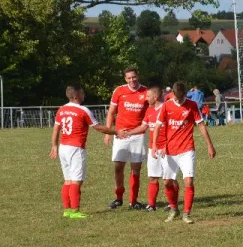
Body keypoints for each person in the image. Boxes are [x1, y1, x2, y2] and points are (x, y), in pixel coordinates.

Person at [50, 85, 127, 218]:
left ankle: (67, 210)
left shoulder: (61, 109)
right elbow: (98, 128)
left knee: (68, 180)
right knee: (76, 181)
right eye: (82, 92)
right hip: (76, 148)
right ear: (75, 96)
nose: (84, 94)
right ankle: (75, 211)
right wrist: (116, 132)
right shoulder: (83, 110)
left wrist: (54, 146)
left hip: (63, 147)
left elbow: (56, 129)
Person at [153, 81, 217, 224]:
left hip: (187, 149)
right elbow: (157, 127)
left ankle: (187, 213)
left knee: (188, 181)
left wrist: (210, 145)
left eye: (181, 98)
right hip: (170, 150)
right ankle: (174, 209)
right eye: (177, 98)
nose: (179, 101)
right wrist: (157, 145)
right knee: (167, 182)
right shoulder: (166, 105)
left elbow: (201, 126)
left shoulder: (192, 105)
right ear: (173, 94)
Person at [126, 86, 179, 212]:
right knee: (153, 177)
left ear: (155, 97)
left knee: (170, 178)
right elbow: (143, 127)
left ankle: (173, 204)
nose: (146, 98)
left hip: (167, 149)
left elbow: (174, 129)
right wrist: (128, 132)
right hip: (153, 148)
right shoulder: (149, 110)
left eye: (148, 96)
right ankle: (151, 205)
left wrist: (167, 145)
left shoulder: (167, 109)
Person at [104, 67, 148, 210]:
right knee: (118, 168)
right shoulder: (119, 91)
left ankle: (133, 201)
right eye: (129, 78)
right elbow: (111, 112)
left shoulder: (145, 92)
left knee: (135, 169)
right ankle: (118, 198)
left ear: (138, 76)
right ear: (125, 79)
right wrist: (108, 132)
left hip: (138, 135)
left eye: (134, 77)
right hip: (120, 135)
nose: (132, 80)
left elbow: (152, 113)